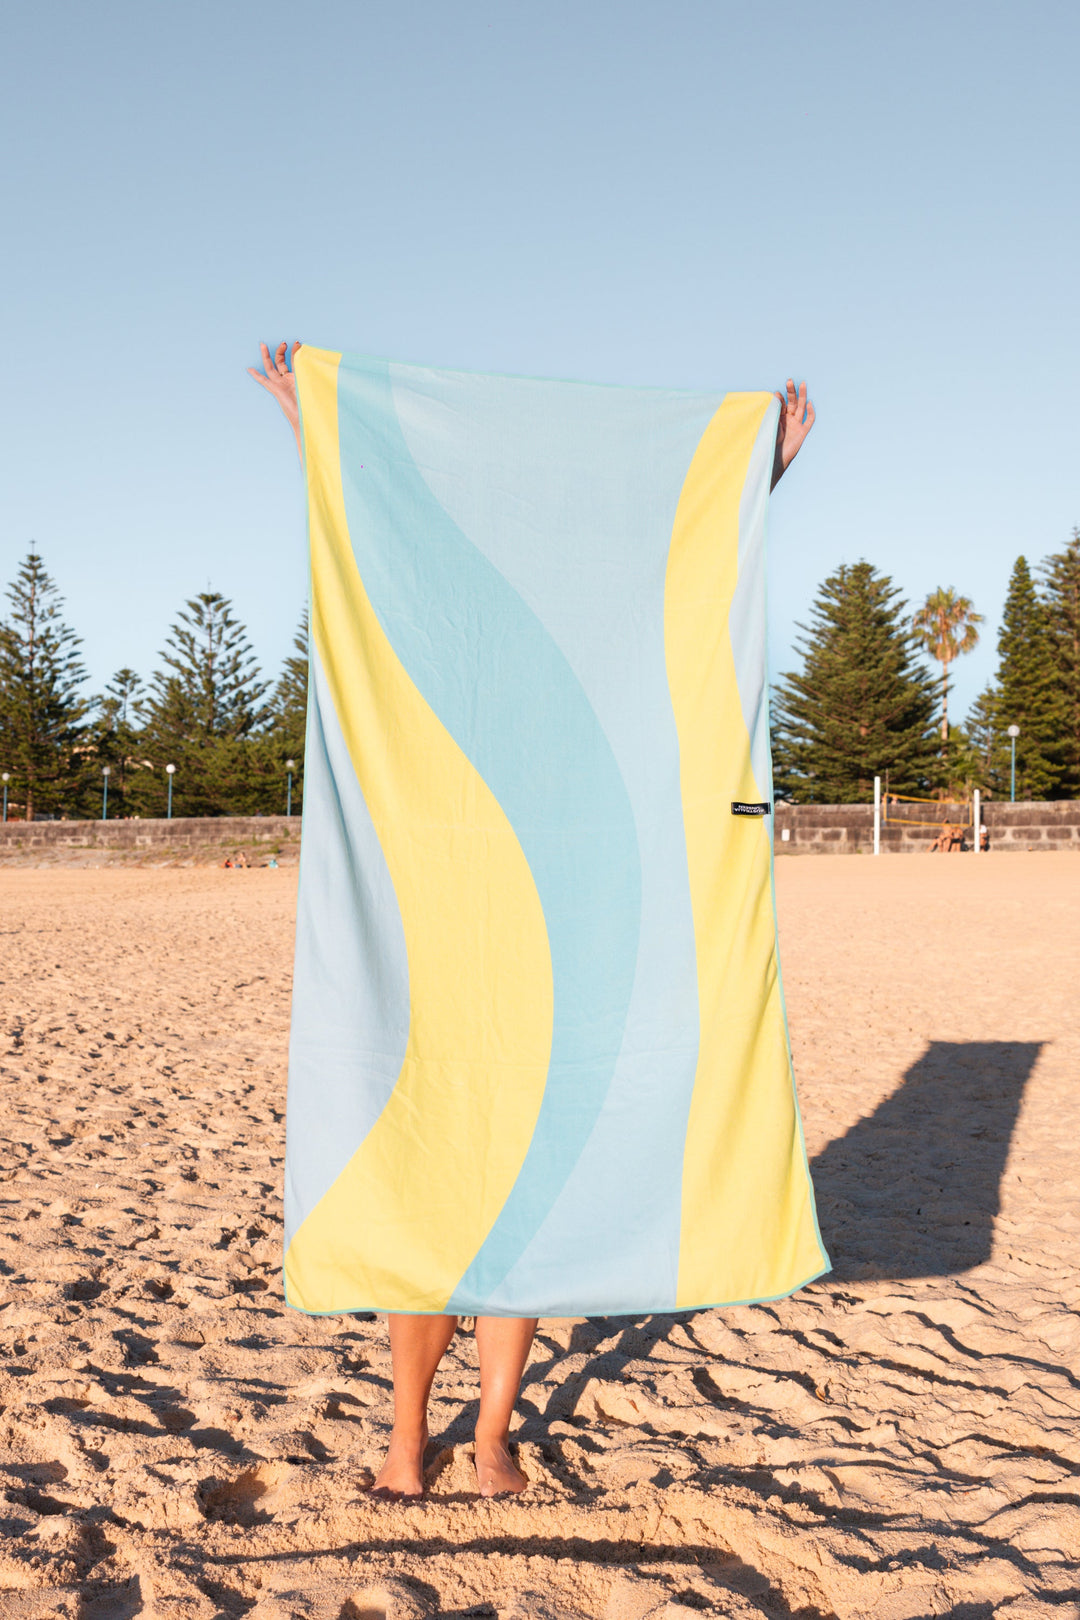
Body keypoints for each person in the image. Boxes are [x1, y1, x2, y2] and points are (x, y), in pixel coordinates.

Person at [250, 339, 816, 1499]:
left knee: (536, 1219)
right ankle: (408, 1438)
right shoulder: (457, 661)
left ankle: (494, 1435)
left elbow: (655, 561)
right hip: (451, 930)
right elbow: (397, 543)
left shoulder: (581, 700)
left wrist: (757, 479)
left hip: (567, 935)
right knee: (435, 1201)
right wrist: (322, 437)